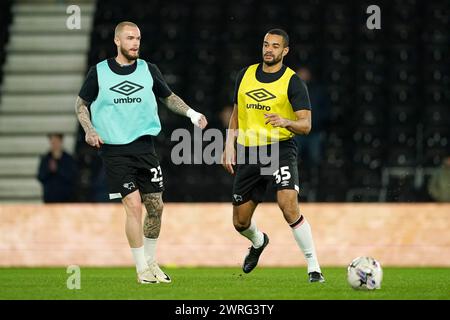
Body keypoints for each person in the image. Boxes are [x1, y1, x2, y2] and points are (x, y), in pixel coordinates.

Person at [75, 21, 208, 284]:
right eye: (129, 38)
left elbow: (168, 97)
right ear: (117, 41)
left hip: (145, 147)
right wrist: (89, 129)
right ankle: (141, 270)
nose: (135, 43)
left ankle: (151, 262)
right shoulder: (99, 72)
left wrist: (192, 113)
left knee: (156, 208)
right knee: (133, 206)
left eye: (138, 38)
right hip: (114, 150)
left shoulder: (148, 69)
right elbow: (81, 104)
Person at [222, 29, 324, 282]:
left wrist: (285, 121)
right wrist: (228, 144)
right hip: (248, 151)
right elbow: (237, 112)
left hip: (279, 148)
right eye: (266, 44)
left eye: (275, 46)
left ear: (285, 51)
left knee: (288, 205)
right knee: (240, 222)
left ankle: (314, 268)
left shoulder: (292, 82)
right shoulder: (245, 75)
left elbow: (306, 125)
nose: (269, 49)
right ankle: (259, 242)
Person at [294, 66, 330, 168]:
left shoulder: (318, 91)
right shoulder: (290, 92)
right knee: (292, 160)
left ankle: (316, 182)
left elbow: (326, 110)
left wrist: (317, 121)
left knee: (316, 159)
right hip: (297, 132)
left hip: (315, 132)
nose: (302, 76)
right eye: (300, 74)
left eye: (304, 74)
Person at [37, 133, 78, 203]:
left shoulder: (69, 159)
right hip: (49, 198)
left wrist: (58, 169)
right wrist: (49, 170)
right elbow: (40, 176)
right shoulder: (46, 159)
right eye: (53, 142)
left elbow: (73, 176)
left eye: (56, 142)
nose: (55, 144)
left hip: (66, 198)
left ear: (61, 142)